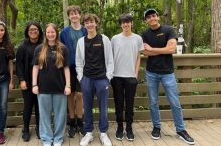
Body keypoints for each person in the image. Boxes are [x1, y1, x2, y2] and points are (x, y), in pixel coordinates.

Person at [142, 8, 195, 145]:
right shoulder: (145, 34)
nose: (152, 18)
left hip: (168, 73)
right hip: (151, 72)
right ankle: (157, 127)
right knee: (153, 102)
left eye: (154, 16)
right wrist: (161, 50)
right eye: (149, 17)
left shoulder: (168, 30)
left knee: (174, 102)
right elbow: (144, 53)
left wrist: (152, 49)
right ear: (146, 20)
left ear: (157, 17)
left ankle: (181, 130)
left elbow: (171, 49)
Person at [76, 14, 114, 146]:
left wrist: (108, 77)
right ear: (84, 25)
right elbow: (79, 62)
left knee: (103, 107)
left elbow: (110, 60)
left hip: (102, 79)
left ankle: (103, 133)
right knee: (87, 106)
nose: (89, 25)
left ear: (96, 23)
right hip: (87, 79)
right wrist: (81, 78)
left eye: (91, 22)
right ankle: (89, 133)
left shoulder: (104, 39)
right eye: (86, 23)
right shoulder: (81, 41)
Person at [32, 23, 71, 146]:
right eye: (48, 32)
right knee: (44, 115)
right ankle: (47, 138)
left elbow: (66, 69)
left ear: (56, 33)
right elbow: (35, 68)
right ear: (45, 33)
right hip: (43, 88)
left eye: (52, 32)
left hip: (60, 88)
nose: (50, 34)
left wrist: (68, 85)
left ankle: (58, 138)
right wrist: (34, 85)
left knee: (60, 115)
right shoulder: (39, 49)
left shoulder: (63, 48)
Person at [111, 13, 144, 141]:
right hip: (117, 76)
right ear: (121, 24)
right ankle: (120, 127)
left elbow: (138, 58)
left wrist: (135, 75)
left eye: (128, 22)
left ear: (131, 23)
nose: (126, 24)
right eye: (123, 22)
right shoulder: (114, 39)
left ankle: (129, 128)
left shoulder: (138, 39)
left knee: (130, 104)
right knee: (118, 103)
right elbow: (110, 57)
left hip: (131, 77)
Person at [60, 5, 87, 137]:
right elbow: (61, 51)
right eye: (71, 14)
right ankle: (71, 121)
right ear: (69, 16)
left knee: (80, 95)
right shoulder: (64, 32)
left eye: (76, 13)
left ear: (80, 15)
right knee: (70, 94)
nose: (74, 16)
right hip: (69, 67)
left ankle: (80, 120)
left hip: (83, 67)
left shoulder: (86, 30)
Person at [16, 21, 43, 141]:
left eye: (35, 29)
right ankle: (25, 129)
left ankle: (39, 128)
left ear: (39, 31)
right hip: (27, 81)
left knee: (39, 106)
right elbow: (19, 66)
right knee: (28, 106)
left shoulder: (44, 44)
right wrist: (21, 80)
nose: (33, 32)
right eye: (31, 30)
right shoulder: (22, 46)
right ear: (27, 32)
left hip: (42, 81)